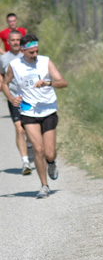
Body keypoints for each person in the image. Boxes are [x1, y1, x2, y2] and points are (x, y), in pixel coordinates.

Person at [2, 33, 68, 199]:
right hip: (28, 111)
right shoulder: (15, 65)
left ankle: (51, 163)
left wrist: (48, 83)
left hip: (48, 110)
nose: (35, 55)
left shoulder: (45, 61)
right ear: (23, 50)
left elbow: (63, 82)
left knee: (49, 153)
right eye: (31, 52)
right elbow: (4, 84)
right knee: (38, 149)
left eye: (36, 51)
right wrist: (11, 98)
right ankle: (44, 185)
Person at [0, 30, 34, 175]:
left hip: (31, 98)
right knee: (19, 128)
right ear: (8, 42)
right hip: (14, 98)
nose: (15, 42)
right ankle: (25, 161)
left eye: (17, 40)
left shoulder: (27, 55)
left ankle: (30, 145)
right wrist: (6, 92)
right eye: (12, 40)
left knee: (30, 130)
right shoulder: (3, 58)